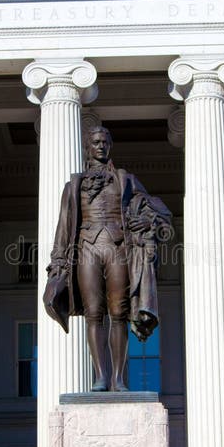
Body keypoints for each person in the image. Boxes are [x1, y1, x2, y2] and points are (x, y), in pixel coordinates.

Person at [44, 126, 172, 392]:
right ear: (87, 147)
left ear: (110, 146)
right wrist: (57, 264)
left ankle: (118, 378)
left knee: (118, 313)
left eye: (104, 142)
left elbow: (151, 208)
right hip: (86, 248)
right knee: (93, 313)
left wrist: (145, 222)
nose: (100, 146)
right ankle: (101, 376)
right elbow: (64, 228)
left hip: (118, 246)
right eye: (95, 142)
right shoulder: (73, 186)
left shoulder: (126, 180)